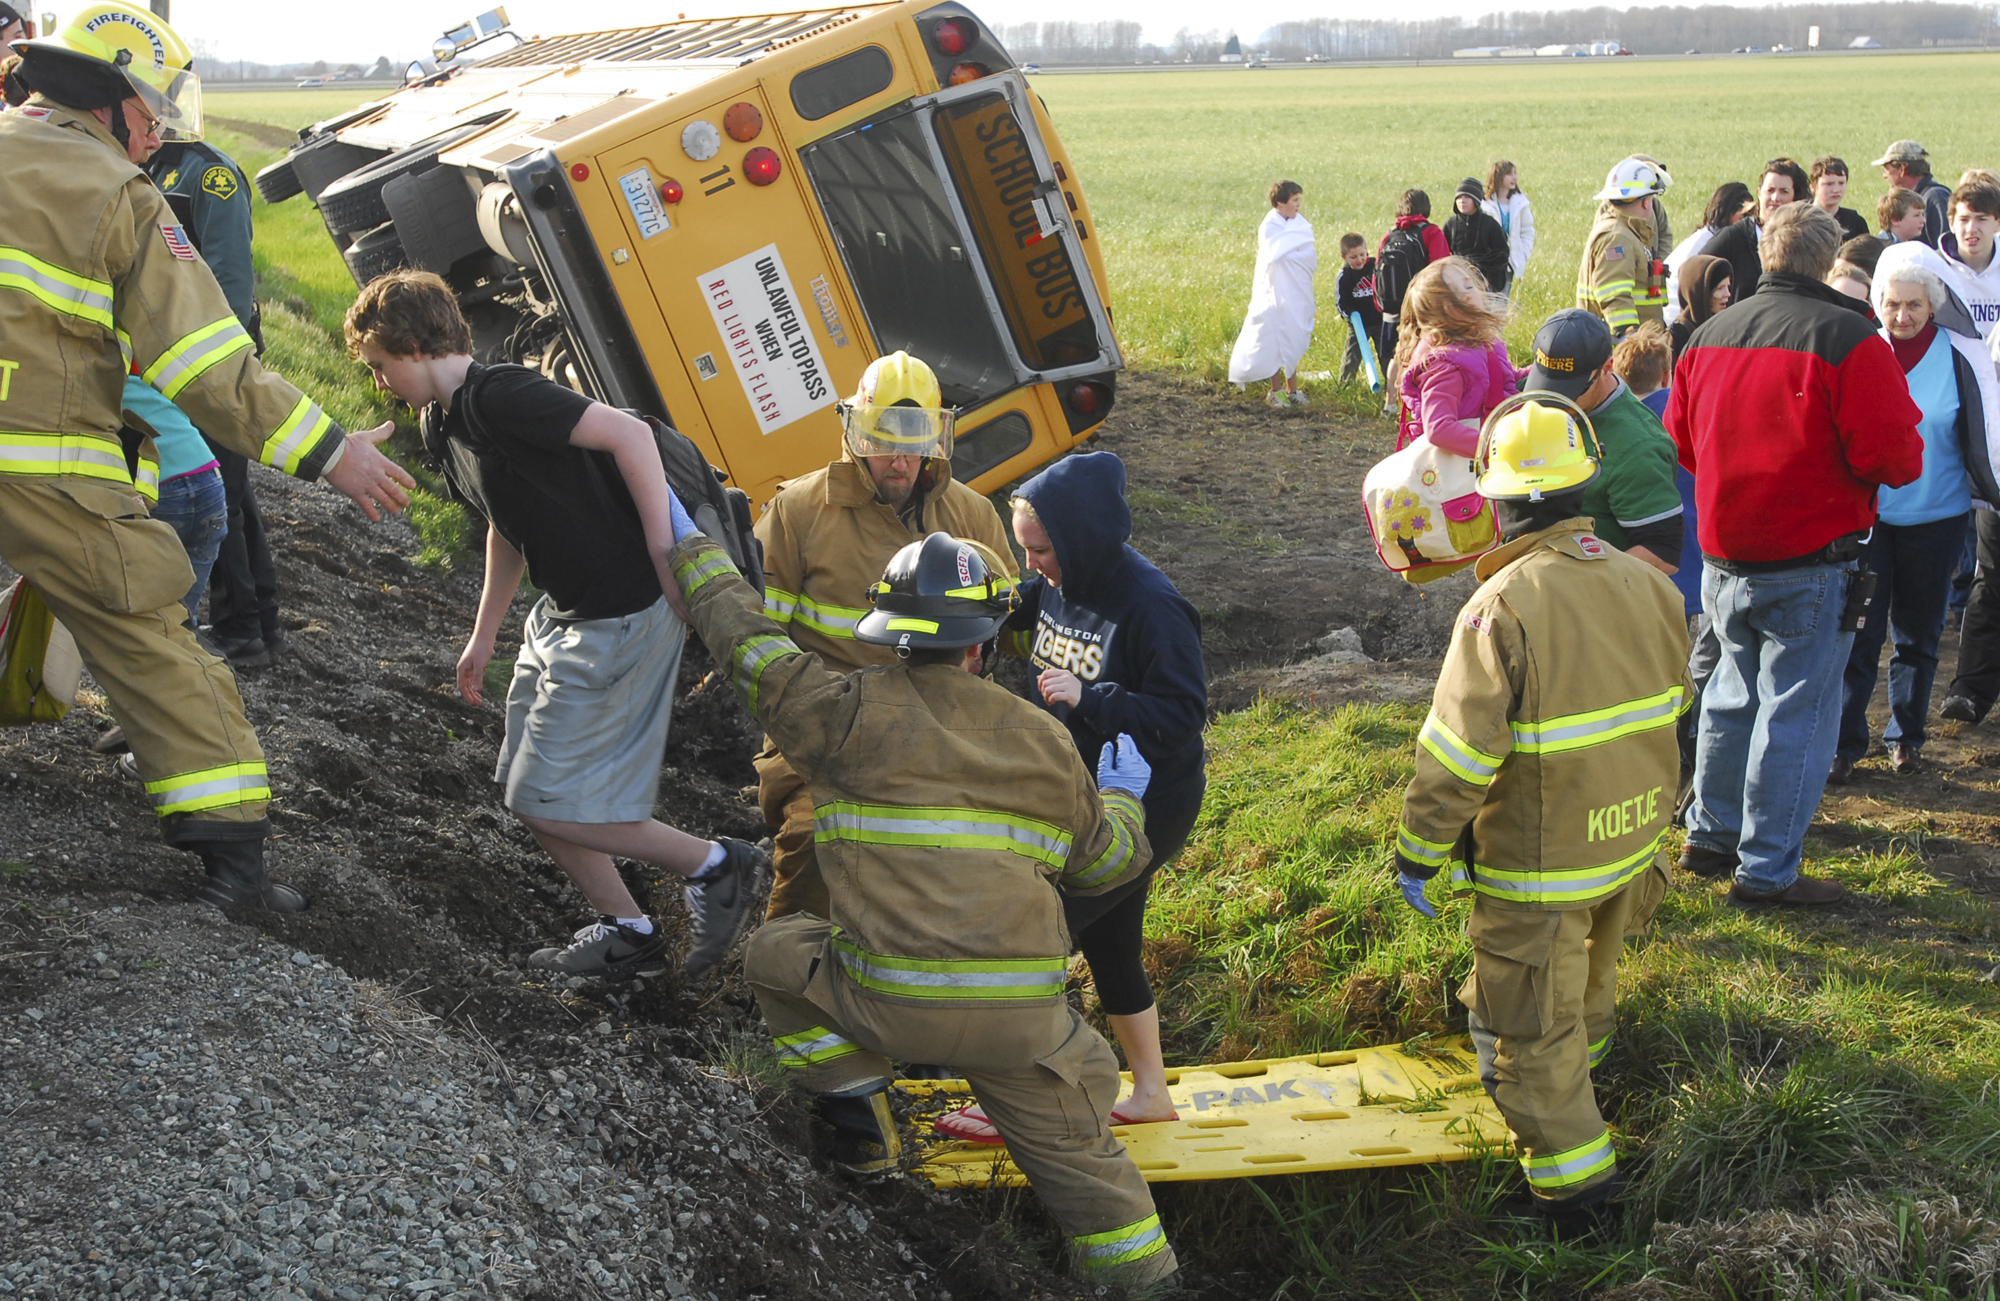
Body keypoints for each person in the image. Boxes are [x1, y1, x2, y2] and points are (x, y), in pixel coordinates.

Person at [663, 521, 1180, 1290]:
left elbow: (747, 644)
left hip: (884, 1002)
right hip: (1019, 1029)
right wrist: (1124, 801)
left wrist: (691, 550)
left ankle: (860, 1124)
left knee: (777, 952)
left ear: (890, 639)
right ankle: (1145, 1280)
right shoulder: (1043, 739)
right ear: (984, 643)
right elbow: (1104, 866)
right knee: (1099, 1186)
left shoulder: (838, 713)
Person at [0, 1, 415, 912]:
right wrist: (328, 450)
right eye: (151, 113)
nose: (158, 134)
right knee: (152, 632)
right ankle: (237, 871)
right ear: (107, 103)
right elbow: (206, 364)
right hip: (38, 463)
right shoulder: (115, 194)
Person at [344, 269, 765, 980]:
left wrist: (668, 559)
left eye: (381, 367)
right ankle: (628, 929)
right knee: (525, 785)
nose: (381, 382)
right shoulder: (442, 424)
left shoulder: (502, 394)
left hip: (623, 608)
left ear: (414, 346)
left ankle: (719, 866)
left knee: (548, 798)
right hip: (565, 612)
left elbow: (631, 437)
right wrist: (483, 637)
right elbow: (505, 527)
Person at [1392, 395, 1685, 1226]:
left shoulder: (1502, 607)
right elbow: (1674, 707)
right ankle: (1585, 1070)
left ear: (1494, 497)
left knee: (1525, 1032)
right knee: (1591, 980)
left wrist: (1419, 851)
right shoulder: (1646, 581)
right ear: (1584, 479)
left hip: (1543, 865)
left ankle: (1577, 1193)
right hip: (1632, 842)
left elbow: (1455, 755)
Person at [932, 453, 1205, 1143]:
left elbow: (1183, 712)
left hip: (1145, 803)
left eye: (1041, 549)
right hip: (1078, 794)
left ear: (1080, 538)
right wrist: (976, 611)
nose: (1034, 564)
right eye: (1024, 549)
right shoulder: (1058, 579)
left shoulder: (1151, 605)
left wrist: (1095, 698)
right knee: (1112, 943)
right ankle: (1149, 1093)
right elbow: (1024, 599)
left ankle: (1014, 1103)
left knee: (1035, 937)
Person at [1667, 203, 1924, 906]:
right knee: (1795, 714)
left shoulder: (1708, 335)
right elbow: (1898, 457)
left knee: (1725, 697)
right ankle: (1767, 867)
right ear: (1826, 260)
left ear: (1767, 257)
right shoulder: (1849, 340)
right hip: (1811, 557)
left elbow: (1683, 442)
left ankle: (1709, 836)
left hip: (1724, 554)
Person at [751, 351, 1016, 923]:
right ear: (855, 431)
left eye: (915, 439)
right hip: (827, 734)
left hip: (946, 729)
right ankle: (789, 987)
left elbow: (1007, 633)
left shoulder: (972, 518)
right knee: (814, 845)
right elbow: (758, 638)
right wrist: (804, 716)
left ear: (936, 436)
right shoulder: (798, 511)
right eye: (883, 438)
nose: (900, 461)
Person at [1832, 262, 2000, 782]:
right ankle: (1845, 743)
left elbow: (1981, 433)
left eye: (1914, 305)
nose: (1902, 316)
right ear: (1876, 305)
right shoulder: (1862, 352)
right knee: (1859, 634)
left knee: (1918, 635)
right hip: (1870, 521)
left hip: (1938, 518)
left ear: (1933, 306)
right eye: (1892, 304)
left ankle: (1905, 737)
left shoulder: (1958, 357)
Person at [141, 114, 283, 668]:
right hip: (184, 359)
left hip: (205, 363)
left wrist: (204, 368)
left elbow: (229, 282)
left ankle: (241, 629)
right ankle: (258, 621)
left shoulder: (208, 175)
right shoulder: (151, 166)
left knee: (215, 493)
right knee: (234, 493)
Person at [1522, 310, 1682, 574]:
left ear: (1607, 368)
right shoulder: (1532, 400)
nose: (1551, 402)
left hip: (1595, 599)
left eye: (1568, 391)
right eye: (1545, 386)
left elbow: (1662, 552)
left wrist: (1584, 584)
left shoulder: (1638, 445)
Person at [1394, 258, 1519, 457]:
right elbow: (1439, 429)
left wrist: (1542, 369)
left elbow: (1500, 380)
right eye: (1468, 287)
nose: (1478, 289)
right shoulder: (1447, 365)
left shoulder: (1475, 345)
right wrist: (1495, 447)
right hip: (1468, 471)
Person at [1228, 179, 1318, 407]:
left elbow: (1306, 253)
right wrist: (1291, 257)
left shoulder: (1300, 224)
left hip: (1295, 293)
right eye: (1294, 200)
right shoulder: (1270, 226)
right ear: (1280, 202)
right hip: (1273, 291)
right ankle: (1275, 390)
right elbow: (1275, 255)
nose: (1299, 205)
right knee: (1275, 339)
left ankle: (1293, 389)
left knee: (1293, 336)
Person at [1576, 157, 1670, 336]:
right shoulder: (1617, 238)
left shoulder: (1628, 232)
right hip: (1621, 352)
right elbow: (1615, 298)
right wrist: (1632, 343)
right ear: (1646, 202)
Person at [1700, 157, 1810, 302]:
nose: (1776, 198)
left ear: (1796, 198)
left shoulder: (1805, 239)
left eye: (1784, 191)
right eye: (1770, 190)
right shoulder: (1735, 237)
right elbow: (1697, 272)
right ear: (1759, 193)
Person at [1375, 188, 1451, 374]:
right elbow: (1440, 271)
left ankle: (1391, 399)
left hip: (1392, 310)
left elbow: (1376, 273)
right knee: (1420, 357)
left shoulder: (1389, 235)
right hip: (1421, 310)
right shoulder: (1431, 232)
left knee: (1396, 355)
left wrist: (1381, 306)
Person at [1664, 182, 1750, 327]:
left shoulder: (1711, 236)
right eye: (1744, 216)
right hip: (1674, 315)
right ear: (1729, 212)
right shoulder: (1705, 243)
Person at [1874, 139, 1952, 248]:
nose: (1885, 175)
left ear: (1902, 169)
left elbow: (1946, 247)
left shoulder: (1935, 197)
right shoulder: (1918, 197)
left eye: (1887, 169)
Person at [1445, 177, 1510, 300]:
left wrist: (1490, 280)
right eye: (1459, 197)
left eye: (1467, 197)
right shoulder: (1451, 224)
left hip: (1484, 284)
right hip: (1458, 282)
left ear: (1476, 200)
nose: (1462, 201)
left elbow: (1501, 254)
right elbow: (1443, 252)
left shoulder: (1490, 224)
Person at [1480, 159, 1536, 297]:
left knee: (1501, 304)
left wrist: (1523, 253)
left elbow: (1527, 230)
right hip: (1488, 264)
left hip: (1509, 262)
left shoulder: (1521, 203)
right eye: (1509, 174)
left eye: (1515, 173)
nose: (1514, 177)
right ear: (1498, 177)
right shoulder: (1484, 204)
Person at [1335, 233, 1382, 387]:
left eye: (1362, 255)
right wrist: (1351, 316)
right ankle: (1345, 385)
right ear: (1345, 257)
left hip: (1379, 320)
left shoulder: (1376, 266)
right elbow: (1342, 303)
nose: (1359, 259)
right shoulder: (1345, 276)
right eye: (1353, 257)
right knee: (1352, 356)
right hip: (1358, 325)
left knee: (1387, 353)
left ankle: (1392, 383)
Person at [1669, 254, 1732, 366]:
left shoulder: (1726, 329)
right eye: (1720, 288)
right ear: (1701, 292)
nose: (1727, 294)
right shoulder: (1678, 337)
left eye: (1728, 287)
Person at [1809, 156, 1870, 242]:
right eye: (1829, 184)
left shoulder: (1855, 222)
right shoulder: (1801, 220)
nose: (1836, 190)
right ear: (1813, 187)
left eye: (1841, 183)